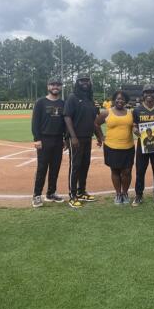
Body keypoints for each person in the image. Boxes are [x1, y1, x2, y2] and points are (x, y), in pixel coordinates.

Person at [64, 72, 101, 208]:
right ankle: (72, 195)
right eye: (81, 80)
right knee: (75, 166)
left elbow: (94, 121)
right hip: (76, 138)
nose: (85, 82)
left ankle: (81, 191)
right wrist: (72, 137)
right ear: (77, 82)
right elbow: (67, 117)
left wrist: (98, 136)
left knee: (85, 165)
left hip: (87, 137)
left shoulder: (90, 99)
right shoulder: (72, 98)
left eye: (87, 80)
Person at [31, 76, 66, 207]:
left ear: (61, 87)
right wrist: (37, 139)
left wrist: (64, 139)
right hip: (44, 140)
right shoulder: (40, 102)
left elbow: (64, 123)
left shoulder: (63, 103)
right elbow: (35, 122)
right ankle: (36, 195)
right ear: (48, 86)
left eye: (58, 84)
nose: (55, 87)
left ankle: (51, 193)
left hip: (58, 140)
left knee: (55, 168)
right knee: (42, 168)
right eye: (53, 84)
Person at [95, 91, 135, 205]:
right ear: (114, 100)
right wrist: (101, 137)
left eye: (122, 99)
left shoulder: (130, 113)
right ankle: (118, 194)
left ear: (126, 101)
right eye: (117, 99)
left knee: (127, 171)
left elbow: (136, 126)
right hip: (111, 147)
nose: (120, 101)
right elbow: (96, 124)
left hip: (128, 146)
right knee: (115, 171)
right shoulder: (106, 112)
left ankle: (125, 193)